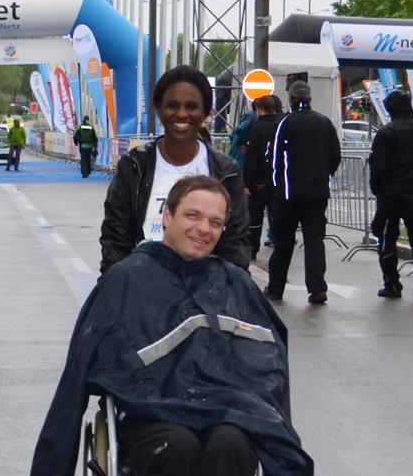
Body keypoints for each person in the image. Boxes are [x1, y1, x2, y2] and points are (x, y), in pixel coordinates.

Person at [28, 175, 313, 476]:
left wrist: (277, 431)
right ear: (167, 215)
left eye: (216, 222)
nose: (204, 229)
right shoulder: (127, 278)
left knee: (232, 449)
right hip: (151, 412)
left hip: (225, 412)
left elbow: (269, 362)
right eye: (193, 216)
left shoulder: (233, 282)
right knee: (178, 449)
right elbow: (79, 369)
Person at [100, 64, 251, 274]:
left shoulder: (227, 171)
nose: (181, 114)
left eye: (191, 106)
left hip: (205, 296)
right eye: (172, 105)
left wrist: (224, 292)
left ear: (206, 112)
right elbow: (115, 239)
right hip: (142, 290)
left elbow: (236, 244)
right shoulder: (133, 166)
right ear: (158, 109)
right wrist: (117, 288)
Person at [263, 80, 342, 305]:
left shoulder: (284, 123)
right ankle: (317, 289)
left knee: (284, 241)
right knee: (315, 240)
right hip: (317, 193)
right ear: (310, 98)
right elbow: (335, 154)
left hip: (288, 193)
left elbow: (273, 158)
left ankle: (276, 288)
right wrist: (324, 175)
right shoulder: (324, 123)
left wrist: (277, 186)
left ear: (290, 98)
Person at [369, 90, 413, 300]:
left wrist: (377, 189)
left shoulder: (386, 133)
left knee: (385, 238)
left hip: (390, 197)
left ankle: (392, 283)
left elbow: (378, 168)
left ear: (390, 110)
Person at [241, 94, 284, 259]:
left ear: (260, 109)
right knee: (277, 215)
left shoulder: (258, 127)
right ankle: (279, 243)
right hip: (278, 180)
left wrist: (247, 183)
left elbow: (252, 157)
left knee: (255, 218)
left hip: (260, 181)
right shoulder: (281, 125)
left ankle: (252, 249)